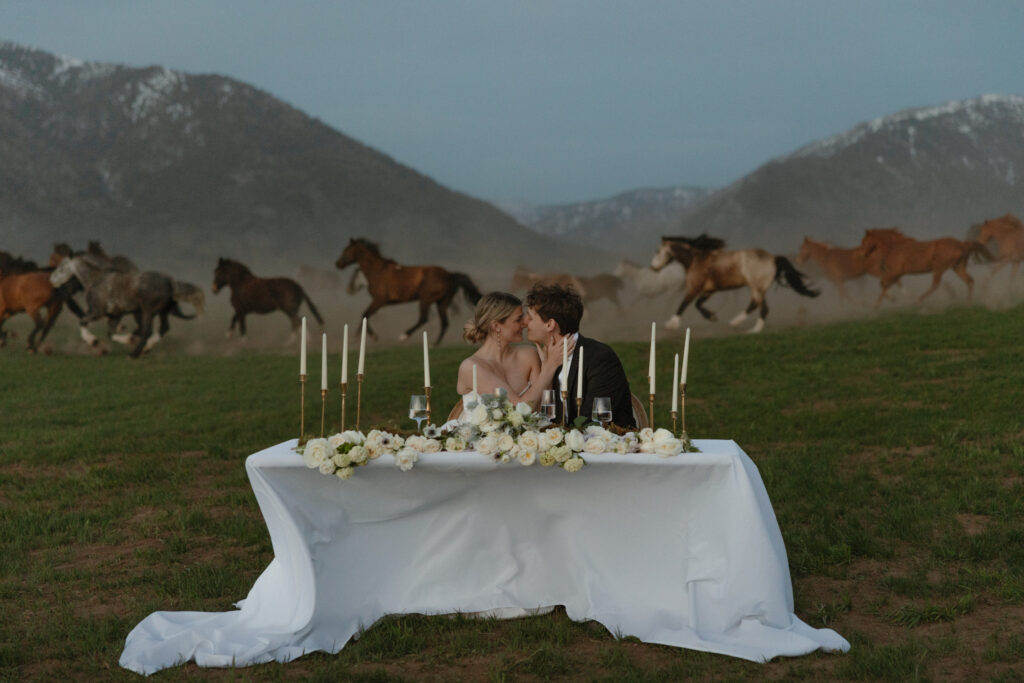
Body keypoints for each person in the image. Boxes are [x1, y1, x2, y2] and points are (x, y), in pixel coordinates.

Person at [524, 283, 635, 428]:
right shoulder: (545, 358)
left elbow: (594, 422)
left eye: (530, 317)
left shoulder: (599, 358)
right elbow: (546, 418)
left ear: (550, 324)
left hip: (606, 446)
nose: (525, 322)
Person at [457, 292, 570, 407]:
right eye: (518, 319)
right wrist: (550, 366)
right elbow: (518, 410)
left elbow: (546, 405)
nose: (524, 324)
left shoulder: (529, 355)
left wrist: (546, 364)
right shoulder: (472, 367)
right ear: (496, 326)